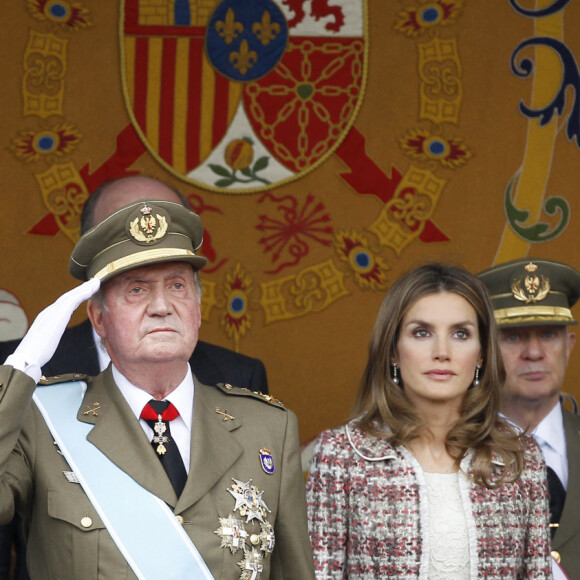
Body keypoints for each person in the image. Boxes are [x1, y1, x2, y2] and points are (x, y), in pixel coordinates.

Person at [1, 198, 315, 579]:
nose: (162, 306)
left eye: (178, 286)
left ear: (197, 310)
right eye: (137, 290)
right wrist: (21, 368)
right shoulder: (40, 420)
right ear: (98, 318)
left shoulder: (267, 428)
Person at [306, 263, 552, 578]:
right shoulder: (341, 456)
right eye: (421, 332)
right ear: (393, 350)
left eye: (461, 333)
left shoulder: (521, 458)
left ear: (481, 353)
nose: (442, 351)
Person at [478, 258, 580, 578]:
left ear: (569, 344)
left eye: (549, 334)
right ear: (484, 350)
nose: (534, 352)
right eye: (513, 336)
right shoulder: (448, 452)